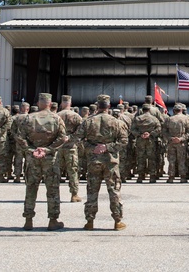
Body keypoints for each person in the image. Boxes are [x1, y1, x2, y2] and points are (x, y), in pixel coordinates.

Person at [74, 95, 129, 231]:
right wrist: (108, 147)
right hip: (111, 162)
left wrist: (92, 148)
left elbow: (77, 138)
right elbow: (123, 141)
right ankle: (117, 221)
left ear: (98, 106)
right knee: (114, 191)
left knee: (92, 191)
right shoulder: (117, 122)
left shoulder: (88, 122)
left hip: (94, 161)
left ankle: (90, 221)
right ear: (109, 106)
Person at [16, 93, 68, 231]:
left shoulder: (29, 118)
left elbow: (20, 137)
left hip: (33, 158)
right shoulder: (56, 118)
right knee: (52, 190)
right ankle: (53, 220)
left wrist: (31, 149)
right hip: (50, 159)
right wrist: (47, 149)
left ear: (39, 103)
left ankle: (28, 220)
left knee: (31, 188)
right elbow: (63, 138)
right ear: (50, 104)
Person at [57, 95, 83, 201]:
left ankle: (54, 194)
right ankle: (74, 194)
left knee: (55, 171)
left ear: (62, 103)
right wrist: (71, 138)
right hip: (71, 147)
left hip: (58, 147)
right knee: (72, 171)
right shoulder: (76, 116)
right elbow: (82, 131)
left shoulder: (56, 116)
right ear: (70, 104)